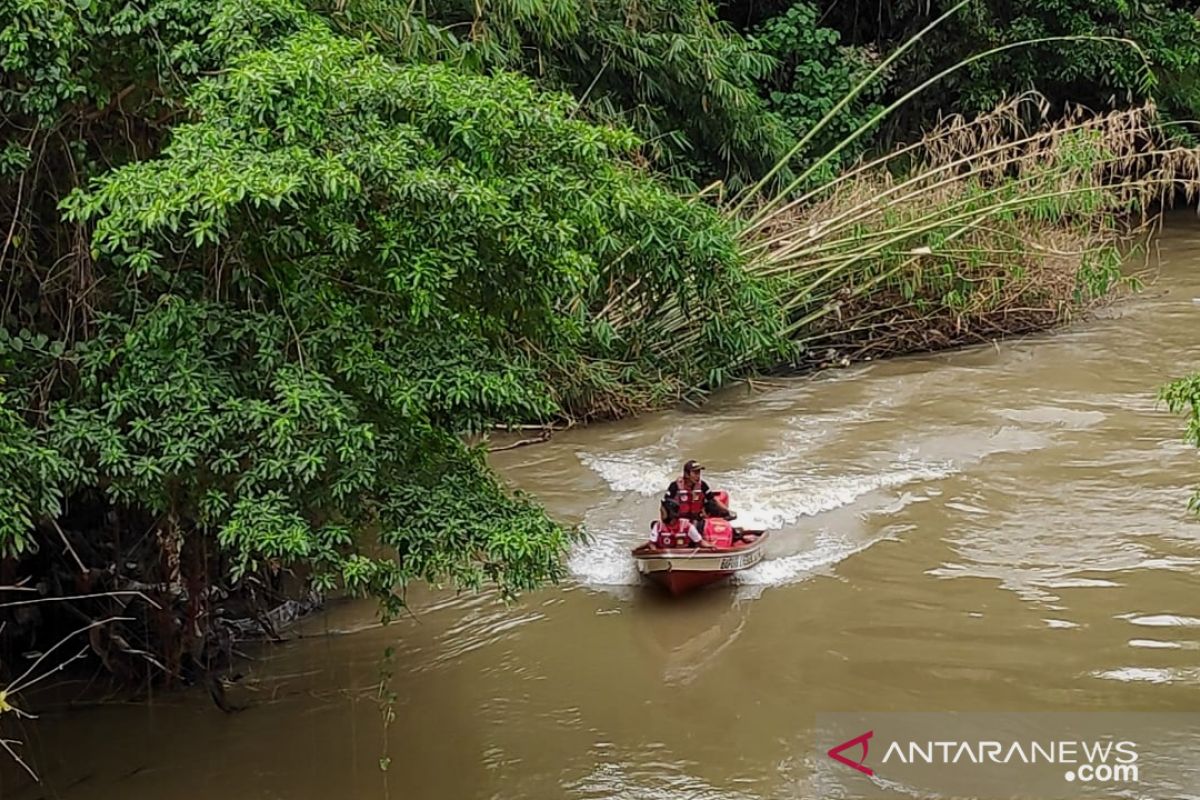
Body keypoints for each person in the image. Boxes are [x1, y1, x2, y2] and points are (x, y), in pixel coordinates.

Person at [665, 460, 735, 524]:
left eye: (699, 472)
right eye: (695, 473)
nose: (698, 476)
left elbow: (713, 499)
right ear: (686, 474)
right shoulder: (675, 486)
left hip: (697, 520)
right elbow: (665, 505)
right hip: (679, 522)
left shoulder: (702, 485)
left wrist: (727, 511)